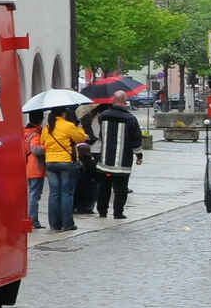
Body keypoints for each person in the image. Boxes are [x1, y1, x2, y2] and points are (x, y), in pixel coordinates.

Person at [95, 90, 144, 219]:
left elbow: (101, 134)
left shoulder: (103, 116)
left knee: (104, 187)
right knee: (121, 188)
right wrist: (139, 156)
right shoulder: (130, 118)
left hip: (105, 160)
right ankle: (118, 212)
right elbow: (136, 139)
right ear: (124, 101)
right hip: (122, 162)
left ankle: (102, 211)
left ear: (113, 100)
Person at [39, 104, 88, 232]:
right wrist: (80, 128)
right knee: (66, 193)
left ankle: (55, 224)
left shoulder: (47, 128)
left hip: (50, 162)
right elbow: (81, 138)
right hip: (66, 162)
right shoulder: (68, 126)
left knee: (54, 193)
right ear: (63, 114)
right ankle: (67, 224)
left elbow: (42, 141)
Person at [23, 112, 46, 231]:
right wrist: (48, 146)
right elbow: (36, 149)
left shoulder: (24, 131)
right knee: (34, 194)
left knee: (31, 193)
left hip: (27, 165)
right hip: (36, 167)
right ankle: (33, 219)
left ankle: (31, 218)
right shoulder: (35, 133)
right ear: (41, 120)